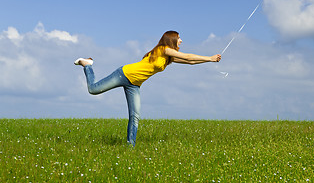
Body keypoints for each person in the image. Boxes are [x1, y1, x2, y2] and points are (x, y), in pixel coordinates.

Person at [74, 30, 221, 146]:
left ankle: (130, 147)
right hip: (124, 74)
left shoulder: (169, 57)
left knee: (135, 116)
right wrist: (210, 57)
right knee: (93, 89)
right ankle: (87, 65)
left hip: (135, 84)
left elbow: (190, 62)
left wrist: (209, 61)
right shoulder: (164, 49)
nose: (181, 40)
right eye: (179, 37)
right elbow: (188, 56)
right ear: (171, 39)